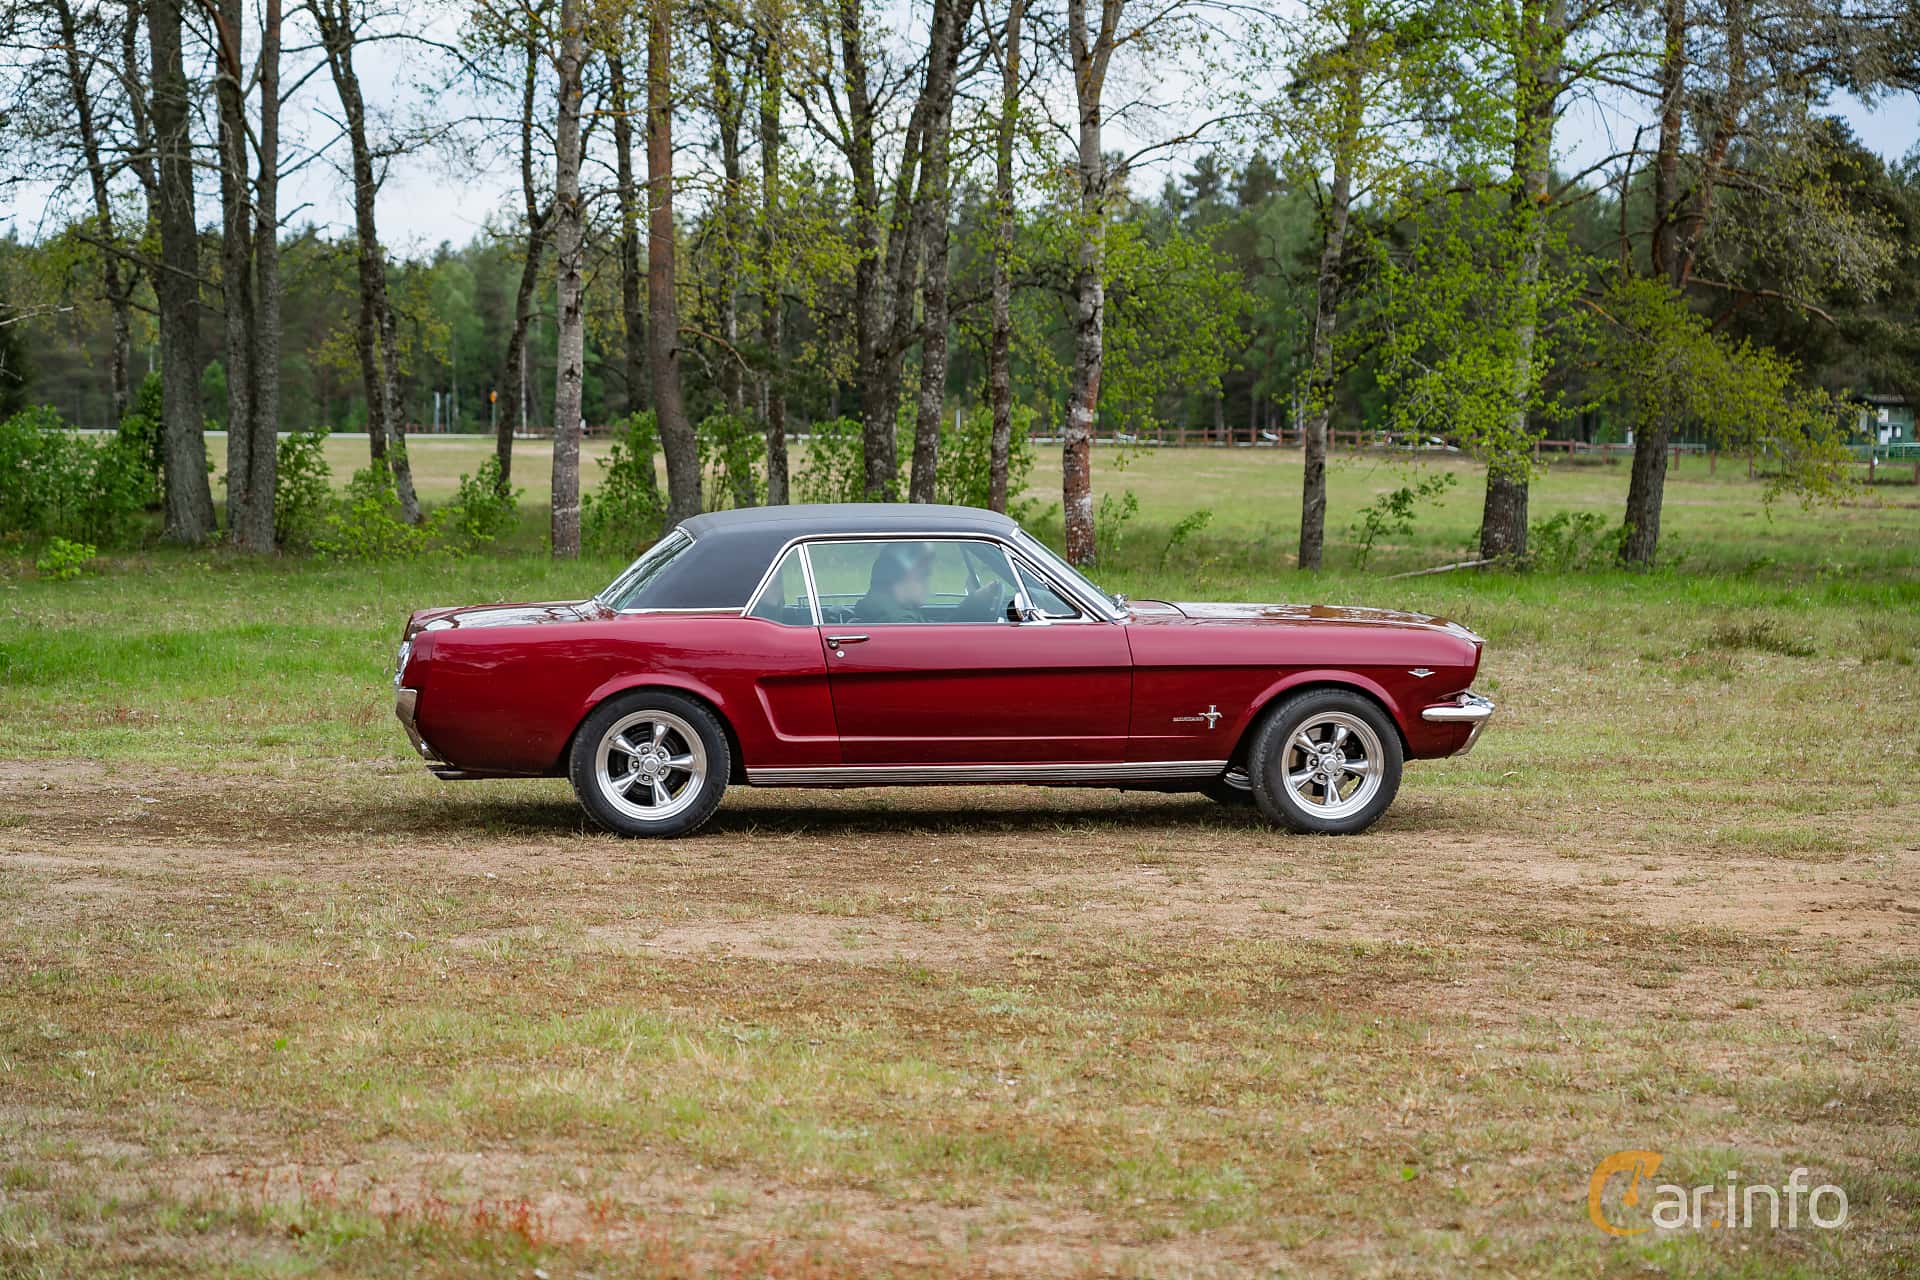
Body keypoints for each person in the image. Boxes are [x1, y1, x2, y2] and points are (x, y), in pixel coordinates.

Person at [852, 543, 1006, 623]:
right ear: (897, 578)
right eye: (923, 575)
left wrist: (973, 602)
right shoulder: (897, 620)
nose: (927, 584)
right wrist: (975, 604)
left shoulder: (891, 610)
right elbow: (944, 647)